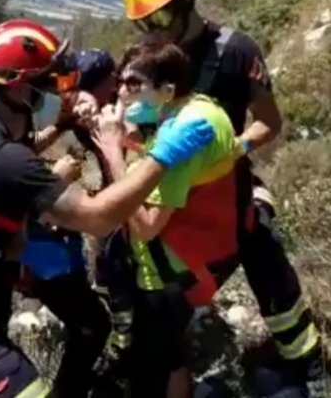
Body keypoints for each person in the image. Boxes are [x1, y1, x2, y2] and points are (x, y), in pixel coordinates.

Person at [0, 18, 218, 398]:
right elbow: (97, 218)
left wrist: (63, 122)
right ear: (20, 89)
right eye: (51, 82)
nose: (60, 91)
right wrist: (162, 157)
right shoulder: (3, 156)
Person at [119, 0, 327, 397]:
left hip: (227, 185)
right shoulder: (150, 60)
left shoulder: (234, 52)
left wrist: (235, 148)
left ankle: (305, 358)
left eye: (161, 16)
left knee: (267, 262)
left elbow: (269, 121)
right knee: (152, 286)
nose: (155, 30)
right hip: (169, 189)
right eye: (145, 24)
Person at [92, 39, 250, 398]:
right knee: (171, 353)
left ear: (167, 89)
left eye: (134, 86)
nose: (123, 94)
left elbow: (147, 226)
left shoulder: (183, 134)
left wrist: (113, 153)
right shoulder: (201, 109)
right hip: (191, 254)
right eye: (121, 83)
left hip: (167, 269)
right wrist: (132, 138)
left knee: (157, 362)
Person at [16, 48, 117, 398]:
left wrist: (61, 125)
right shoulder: (4, 134)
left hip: (45, 239)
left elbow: (29, 147)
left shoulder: (6, 124)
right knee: (92, 325)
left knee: (87, 317)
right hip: (40, 242)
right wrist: (58, 182)